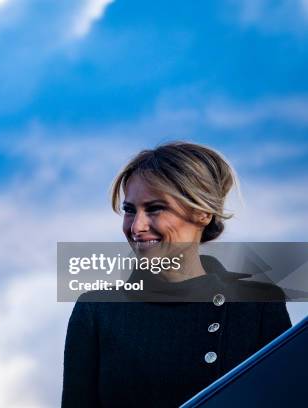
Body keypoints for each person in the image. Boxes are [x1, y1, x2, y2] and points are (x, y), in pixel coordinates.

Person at [61, 142, 291, 407]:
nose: (137, 226)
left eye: (155, 208)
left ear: (202, 212)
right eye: (129, 210)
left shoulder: (256, 306)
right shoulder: (97, 311)